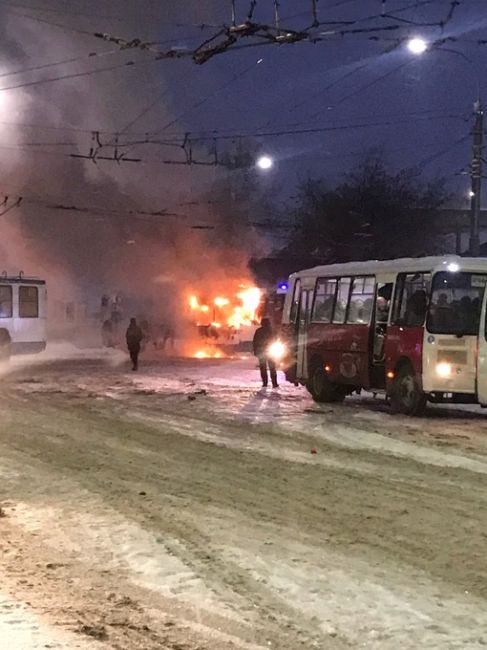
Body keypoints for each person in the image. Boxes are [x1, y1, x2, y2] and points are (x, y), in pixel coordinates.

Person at [252, 317, 278, 388]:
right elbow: (276, 340)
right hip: (270, 351)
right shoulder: (272, 331)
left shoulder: (259, 331)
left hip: (262, 352)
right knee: (272, 368)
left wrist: (255, 351)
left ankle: (265, 383)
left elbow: (255, 342)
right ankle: (274, 383)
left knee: (263, 368)